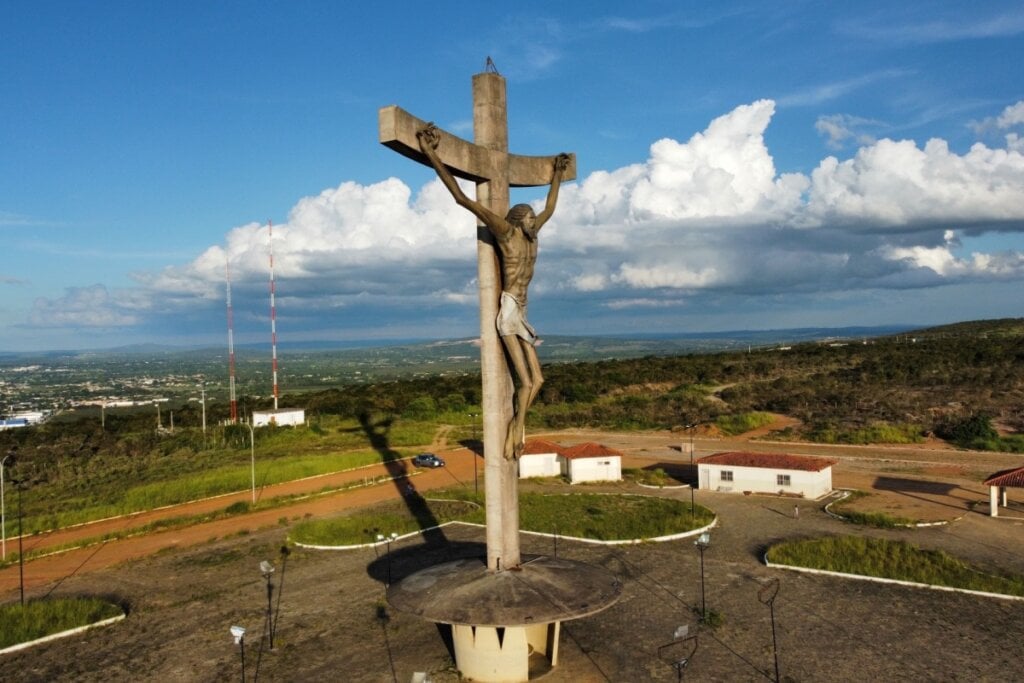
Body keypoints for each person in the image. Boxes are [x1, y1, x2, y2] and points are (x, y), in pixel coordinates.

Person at [417, 123, 570, 460]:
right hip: (509, 312)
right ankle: (515, 433)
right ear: (519, 219)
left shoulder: (532, 235)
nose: (535, 220)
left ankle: (518, 426)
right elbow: (462, 199)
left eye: (534, 218)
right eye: (529, 217)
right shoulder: (506, 232)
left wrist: (556, 174)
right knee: (526, 384)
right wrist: (431, 152)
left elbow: (551, 208)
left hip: (524, 311)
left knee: (539, 382)